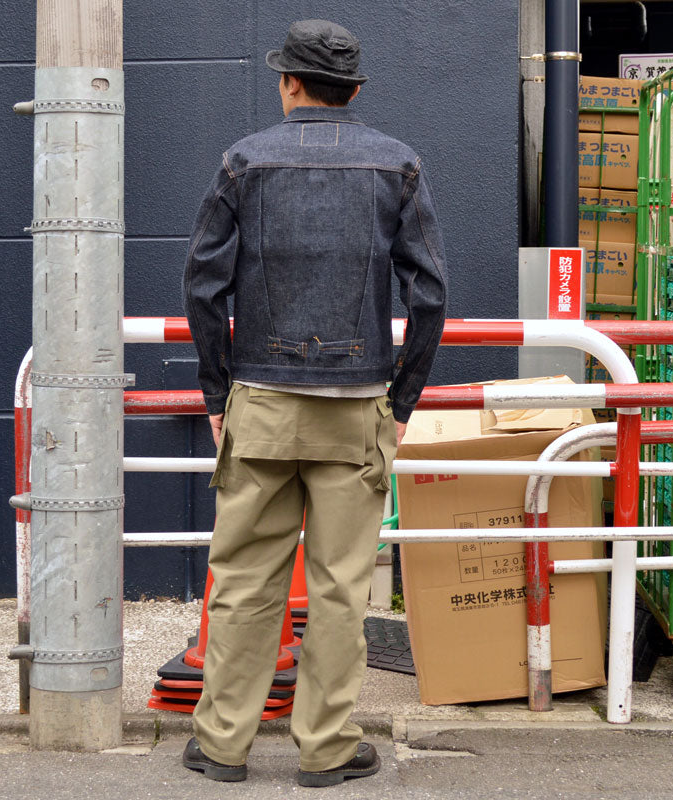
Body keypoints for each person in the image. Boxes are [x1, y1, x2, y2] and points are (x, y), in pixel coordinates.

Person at [181, 19, 447, 787]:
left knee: (242, 584)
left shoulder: (244, 161)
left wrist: (215, 390)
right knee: (338, 590)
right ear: (356, 90)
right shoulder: (397, 164)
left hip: (259, 398)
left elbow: (204, 284)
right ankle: (327, 751)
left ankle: (224, 744)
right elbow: (429, 292)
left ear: (287, 85)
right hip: (357, 403)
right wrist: (402, 398)